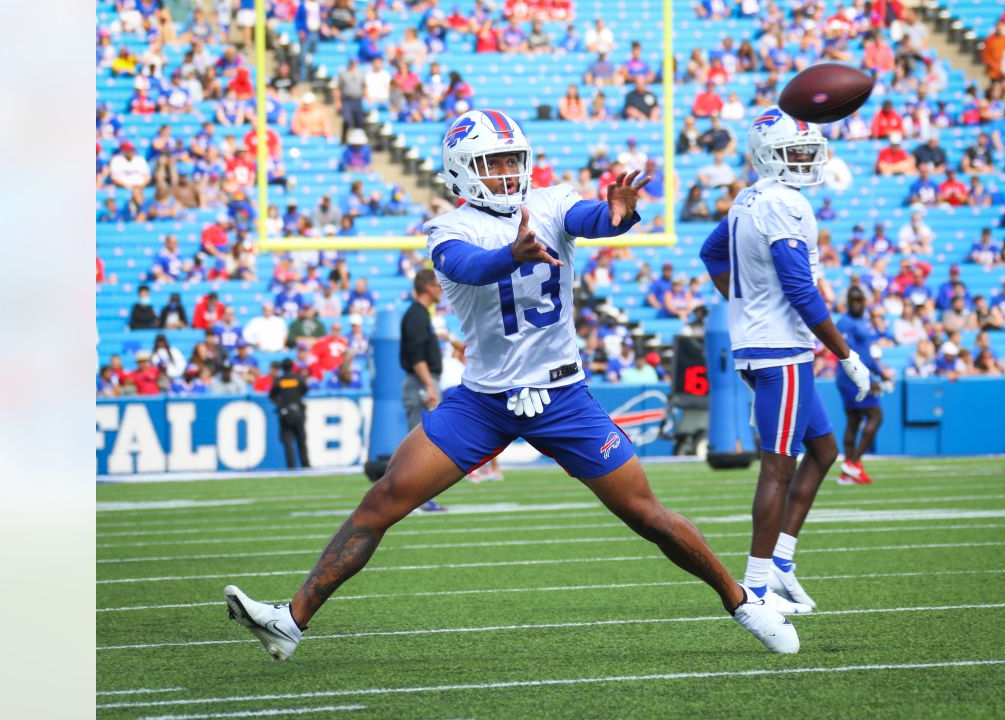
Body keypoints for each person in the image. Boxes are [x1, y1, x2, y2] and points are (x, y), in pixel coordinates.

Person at [225, 108, 798, 660]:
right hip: (485, 401)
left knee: (648, 515)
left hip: (563, 397)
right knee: (381, 503)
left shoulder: (549, 201)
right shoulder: (447, 228)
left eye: (511, 160)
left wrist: (616, 214)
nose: (505, 173)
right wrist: (511, 253)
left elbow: (589, 220)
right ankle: (289, 622)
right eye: (492, 162)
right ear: (459, 170)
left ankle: (745, 602)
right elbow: (469, 268)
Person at [699, 107, 873, 616]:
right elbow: (799, 286)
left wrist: (743, 303)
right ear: (766, 157)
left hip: (766, 344)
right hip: (780, 350)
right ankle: (755, 587)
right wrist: (844, 353)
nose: (802, 161)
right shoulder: (781, 203)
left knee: (823, 449)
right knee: (778, 466)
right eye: (791, 153)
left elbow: (712, 255)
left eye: (806, 151)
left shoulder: (749, 197)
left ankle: (780, 561)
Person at [835, 288, 891, 485]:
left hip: (860, 375)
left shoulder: (863, 321)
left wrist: (879, 370)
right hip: (851, 376)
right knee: (876, 416)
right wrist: (868, 376)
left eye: (860, 299)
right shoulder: (844, 322)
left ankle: (848, 472)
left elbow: (865, 351)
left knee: (854, 420)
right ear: (848, 302)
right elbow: (849, 354)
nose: (857, 303)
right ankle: (854, 463)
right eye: (853, 299)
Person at [401, 269, 444, 430]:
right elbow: (416, 356)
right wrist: (429, 386)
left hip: (423, 382)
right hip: (421, 383)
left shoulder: (420, 314)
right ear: (428, 287)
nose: (442, 289)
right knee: (421, 441)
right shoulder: (417, 315)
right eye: (438, 285)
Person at [268, 358, 310, 469]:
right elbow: (305, 390)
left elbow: (272, 395)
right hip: (298, 412)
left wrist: (280, 403)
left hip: (285, 413)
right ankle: (306, 465)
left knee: (287, 442)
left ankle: (291, 466)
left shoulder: (279, 381)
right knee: (301, 440)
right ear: (292, 366)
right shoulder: (298, 379)